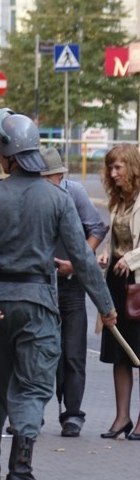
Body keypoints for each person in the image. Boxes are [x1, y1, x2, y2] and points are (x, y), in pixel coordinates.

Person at [0, 108, 116, 480]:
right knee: (33, 386)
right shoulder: (57, 198)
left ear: (7, 155)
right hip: (38, 304)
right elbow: (83, 259)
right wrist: (104, 305)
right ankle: (21, 470)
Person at [40, 147, 109, 438]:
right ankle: (34, 412)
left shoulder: (74, 192)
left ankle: (72, 414)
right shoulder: (34, 195)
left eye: (49, 178)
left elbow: (97, 227)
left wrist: (78, 260)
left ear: (59, 175)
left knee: (73, 352)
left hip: (71, 284)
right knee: (42, 353)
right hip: (42, 285)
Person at [98, 144, 140, 440]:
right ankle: (121, 417)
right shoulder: (117, 202)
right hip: (117, 283)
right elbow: (117, 241)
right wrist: (106, 254)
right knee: (120, 353)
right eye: (110, 168)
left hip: (138, 284)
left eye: (118, 168)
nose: (113, 174)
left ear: (133, 167)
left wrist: (131, 258)